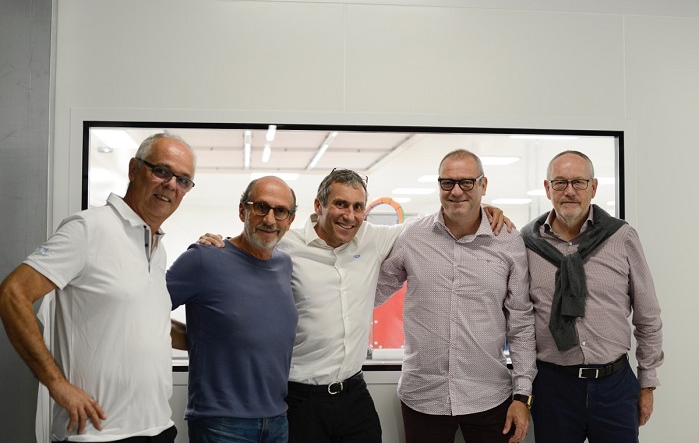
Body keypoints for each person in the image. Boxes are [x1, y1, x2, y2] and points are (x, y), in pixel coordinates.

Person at [199, 168, 509, 443]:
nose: (350, 215)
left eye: (357, 207)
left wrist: (478, 211)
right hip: (299, 397)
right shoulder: (286, 244)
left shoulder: (373, 238)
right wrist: (214, 245)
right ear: (319, 205)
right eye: (340, 204)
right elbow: (248, 246)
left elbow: (431, 226)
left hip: (353, 393)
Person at [0, 132, 196, 442]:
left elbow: (143, 321)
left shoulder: (157, 249)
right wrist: (56, 384)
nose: (172, 184)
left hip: (157, 428)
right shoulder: (88, 229)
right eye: (162, 171)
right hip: (94, 434)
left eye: (183, 180)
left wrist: (218, 336)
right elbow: (13, 294)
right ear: (134, 169)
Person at [375, 149, 536, 443]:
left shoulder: (509, 241)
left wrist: (522, 394)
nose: (456, 191)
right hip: (423, 396)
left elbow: (521, 323)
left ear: (483, 185)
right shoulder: (413, 236)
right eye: (447, 183)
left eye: (467, 183)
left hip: (489, 396)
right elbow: (374, 291)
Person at [520, 150, 664, 443]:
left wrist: (647, 383)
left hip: (615, 385)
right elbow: (518, 321)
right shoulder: (526, 243)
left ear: (593, 187)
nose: (569, 191)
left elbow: (648, 316)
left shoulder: (621, 237)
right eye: (559, 183)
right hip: (553, 387)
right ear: (547, 189)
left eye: (578, 182)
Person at [167, 176, 299, 443]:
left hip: (277, 419)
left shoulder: (284, 264)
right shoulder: (204, 258)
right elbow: (145, 312)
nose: (270, 220)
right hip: (222, 423)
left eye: (280, 211)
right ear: (243, 210)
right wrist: (199, 342)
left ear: (290, 220)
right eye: (261, 206)